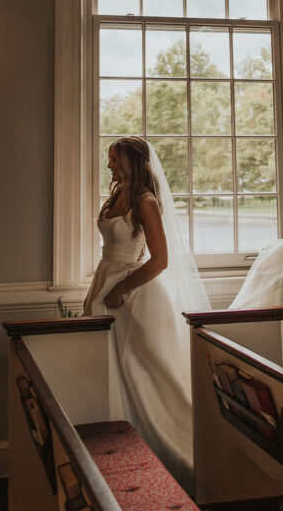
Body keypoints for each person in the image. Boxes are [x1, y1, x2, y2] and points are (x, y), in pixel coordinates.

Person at [83, 136, 209, 486]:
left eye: (114, 158)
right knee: (106, 368)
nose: (108, 164)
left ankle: (175, 453)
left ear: (131, 161)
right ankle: (112, 452)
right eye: (108, 158)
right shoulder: (115, 196)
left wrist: (122, 289)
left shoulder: (145, 201)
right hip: (104, 281)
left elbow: (161, 260)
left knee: (148, 374)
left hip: (133, 294)